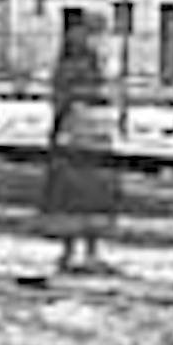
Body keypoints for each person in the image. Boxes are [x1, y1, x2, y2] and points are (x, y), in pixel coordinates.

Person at [39, 15, 121, 271]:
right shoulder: (76, 69)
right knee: (75, 194)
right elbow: (67, 97)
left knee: (86, 194)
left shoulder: (90, 65)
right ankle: (76, 250)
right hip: (77, 132)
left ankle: (83, 250)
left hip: (87, 133)